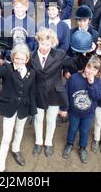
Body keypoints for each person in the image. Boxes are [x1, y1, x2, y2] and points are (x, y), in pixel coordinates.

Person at [0, 43, 37, 172]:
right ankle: (1, 163)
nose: (20, 61)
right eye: (17, 58)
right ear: (13, 58)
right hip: (9, 107)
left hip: (23, 108)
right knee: (6, 137)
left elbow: (32, 92)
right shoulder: (7, 68)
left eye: (23, 59)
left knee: (19, 130)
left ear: (27, 59)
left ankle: (16, 149)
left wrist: (32, 111)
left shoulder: (31, 73)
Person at [31, 28, 69, 158]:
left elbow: (73, 63)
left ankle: (48, 142)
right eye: (42, 43)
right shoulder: (31, 56)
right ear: (38, 42)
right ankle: (38, 141)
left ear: (52, 44)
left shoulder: (59, 54)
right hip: (38, 92)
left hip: (54, 92)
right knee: (38, 118)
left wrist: (87, 53)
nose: (44, 47)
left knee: (51, 119)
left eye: (48, 44)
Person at [60, 55, 101, 163]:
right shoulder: (74, 78)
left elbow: (97, 96)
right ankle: (69, 144)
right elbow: (65, 94)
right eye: (89, 67)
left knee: (84, 130)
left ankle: (82, 147)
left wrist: (91, 83)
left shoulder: (97, 82)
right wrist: (64, 108)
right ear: (85, 66)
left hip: (88, 113)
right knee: (73, 128)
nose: (91, 71)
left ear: (98, 71)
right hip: (74, 112)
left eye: (95, 69)